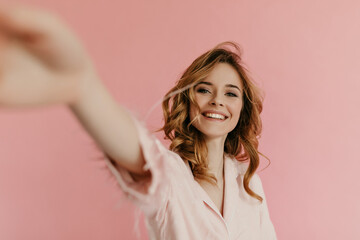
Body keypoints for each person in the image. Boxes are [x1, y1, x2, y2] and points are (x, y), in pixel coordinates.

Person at [0, 5, 277, 240]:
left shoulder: (249, 182)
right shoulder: (172, 176)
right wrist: (83, 88)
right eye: (204, 89)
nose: (217, 100)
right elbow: (138, 151)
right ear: (189, 99)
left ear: (242, 108)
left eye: (231, 93)